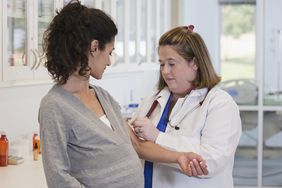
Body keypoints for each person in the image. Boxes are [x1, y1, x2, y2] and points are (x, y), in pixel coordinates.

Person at [38, 1, 207, 187]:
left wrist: (179, 157)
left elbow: (136, 145)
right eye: (109, 52)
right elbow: (58, 178)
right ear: (94, 48)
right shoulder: (54, 106)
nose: (109, 61)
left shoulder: (103, 96)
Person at [130, 25, 242, 188]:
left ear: (195, 63)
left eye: (172, 64)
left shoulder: (220, 104)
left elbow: (210, 161)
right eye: (161, 64)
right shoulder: (153, 100)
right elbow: (134, 144)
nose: (165, 71)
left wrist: (158, 137)